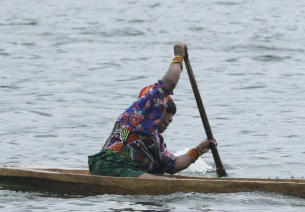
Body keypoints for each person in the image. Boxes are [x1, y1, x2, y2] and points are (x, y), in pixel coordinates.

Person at [88, 43, 217, 179]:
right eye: (166, 112)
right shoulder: (137, 115)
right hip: (112, 166)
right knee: (165, 184)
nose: (170, 120)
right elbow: (168, 83)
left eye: (171, 117)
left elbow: (172, 165)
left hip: (131, 170)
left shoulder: (155, 141)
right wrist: (179, 57)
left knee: (163, 182)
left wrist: (199, 150)